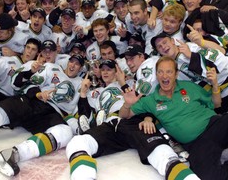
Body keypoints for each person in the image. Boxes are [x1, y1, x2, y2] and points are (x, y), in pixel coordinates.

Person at [119, 56, 228, 180]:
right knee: (206, 175)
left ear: (176, 74)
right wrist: (127, 104)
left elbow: (216, 103)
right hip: (196, 143)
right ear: (156, 75)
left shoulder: (189, 86)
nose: (165, 76)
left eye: (169, 72)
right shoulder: (151, 100)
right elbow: (124, 115)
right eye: (160, 72)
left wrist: (215, 85)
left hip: (216, 126)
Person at [66, 58, 199, 180]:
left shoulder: (131, 83)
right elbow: (85, 116)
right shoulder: (96, 92)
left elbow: (150, 103)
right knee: (77, 143)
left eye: (109, 69)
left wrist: (147, 118)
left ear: (117, 71)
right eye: (103, 69)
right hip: (111, 125)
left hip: (133, 121)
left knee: (163, 154)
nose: (106, 72)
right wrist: (83, 93)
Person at [0, 42, 84, 177]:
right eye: (71, 61)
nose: (73, 65)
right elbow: (25, 83)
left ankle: (14, 154)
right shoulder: (50, 68)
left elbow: (77, 110)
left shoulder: (82, 83)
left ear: (81, 68)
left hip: (50, 113)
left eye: (77, 63)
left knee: (65, 132)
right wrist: (38, 93)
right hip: (32, 101)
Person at [151, 32, 228, 113]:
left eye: (164, 42)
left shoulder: (191, 47)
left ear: (173, 41)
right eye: (159, 47)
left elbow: (218, 61)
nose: (163, 47)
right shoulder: (172, 69)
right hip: (222, 92)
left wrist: (191, 56)